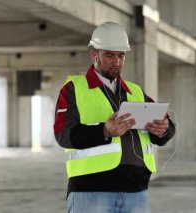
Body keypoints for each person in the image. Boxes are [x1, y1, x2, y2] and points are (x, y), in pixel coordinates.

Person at [54, 22, 176, 213]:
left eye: (121, 55)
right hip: (91, 191)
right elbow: (63, 135)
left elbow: (165, 126)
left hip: (136, 191)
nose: (117, 62)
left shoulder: (135, 91)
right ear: (94, 54)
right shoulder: (74, 89)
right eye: (110, 55)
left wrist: (164, 129)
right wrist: (104, 131)